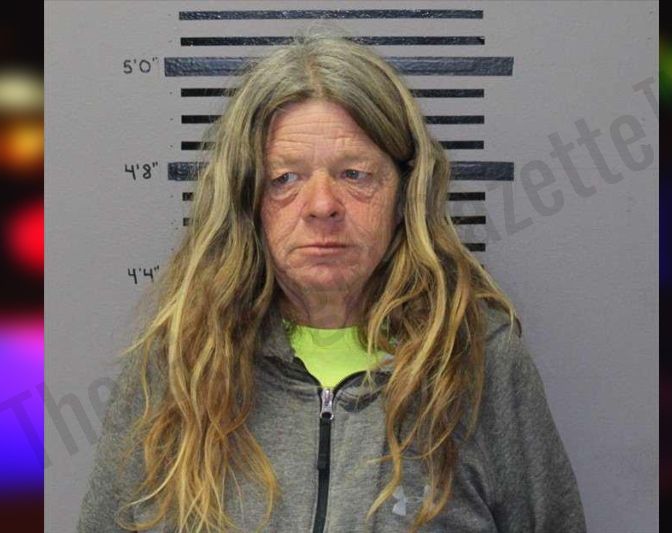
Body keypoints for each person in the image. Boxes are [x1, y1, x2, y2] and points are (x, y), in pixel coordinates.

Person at [77, 34, 586, 533]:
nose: (322, 205)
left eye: (354, 174)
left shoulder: (479, 362)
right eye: (285, 178)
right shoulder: (176, 366)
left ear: (404, 192)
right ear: (248, 199)